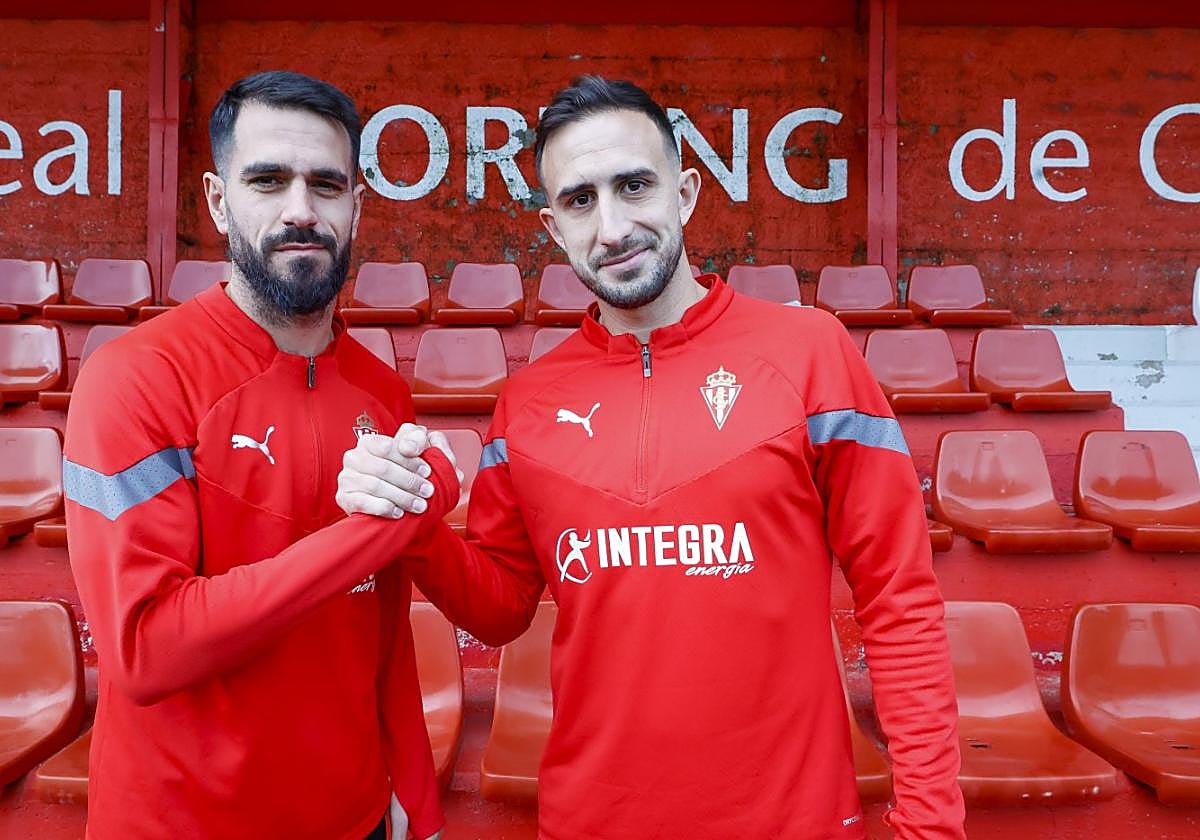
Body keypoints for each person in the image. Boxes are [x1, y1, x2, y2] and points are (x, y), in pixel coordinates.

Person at [337, 76, 966, 839]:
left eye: (635, 186)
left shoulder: (811, 357)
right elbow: (499, 610)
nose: (612, 226)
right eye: (580, 201)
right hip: (593, 821)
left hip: (792, 819)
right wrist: (416, 524)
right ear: (553, 225)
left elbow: (898, 601)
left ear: (687, 191)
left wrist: (931, 824)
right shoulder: (529, 404)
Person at [63, 71, 459, 840]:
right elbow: (145, 648)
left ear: (357, 207)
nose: (301, 211)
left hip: (355, 819)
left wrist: (413, 783)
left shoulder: (382, 391)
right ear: (218, 201)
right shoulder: (135, 377)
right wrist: (375, 531)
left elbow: (381, 628)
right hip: (178, 825)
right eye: (268, 180)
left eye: (326, 184)